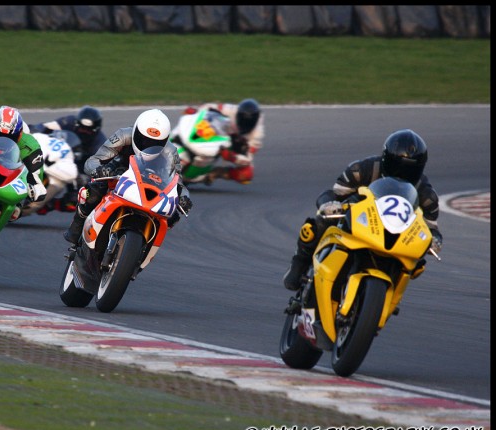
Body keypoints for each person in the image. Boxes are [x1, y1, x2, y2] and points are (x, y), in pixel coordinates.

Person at [282, 129, 443, 291]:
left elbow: (431, 228)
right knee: (314, 226)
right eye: (397, 166)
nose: (402, 174)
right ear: (386, 159)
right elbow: (334, 194)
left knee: (418, 265)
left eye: (411, 170)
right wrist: (329, 205)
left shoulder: (427, 195)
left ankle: (390, 295)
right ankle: (299, 263)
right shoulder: (361, 170)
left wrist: (435, 240)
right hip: (359, 220)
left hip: (397, 235)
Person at [63, 108, 193, 244]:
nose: (148, 145)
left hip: (153, 181)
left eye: (155, 143)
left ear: (165, 140)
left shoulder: (170, 151)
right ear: (136, 131)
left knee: (172, 215)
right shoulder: (123, 135)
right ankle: (76, 228)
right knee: (93, 191)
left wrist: (184, 197)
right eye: (144, 140)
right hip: (119, 172)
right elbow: (93, 160)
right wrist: (100, 170)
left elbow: (177, 181)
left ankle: (145, 246)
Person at [182, 98, 264, 184]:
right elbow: (208, 107)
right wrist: (196, 113)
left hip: (235, 143)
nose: (245, 124)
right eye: (243, 120)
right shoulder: (231, 110)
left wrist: (232, 157)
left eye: (248, 123)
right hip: (218, 131)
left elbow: (247, 159)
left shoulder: (256, 135)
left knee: (246, 175)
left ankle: (215, 173)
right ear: (238, 114)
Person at [28, 105, 107, 171]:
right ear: (77, 124)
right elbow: (45, 126)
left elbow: (97, 169)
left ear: (96, 130)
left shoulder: (100, 145)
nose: (84, 131)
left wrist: (83, 176)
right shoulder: (69, 121)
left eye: (88, 130)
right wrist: (35, 130)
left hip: (75, 166)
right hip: (55, 152)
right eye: (82, 128)